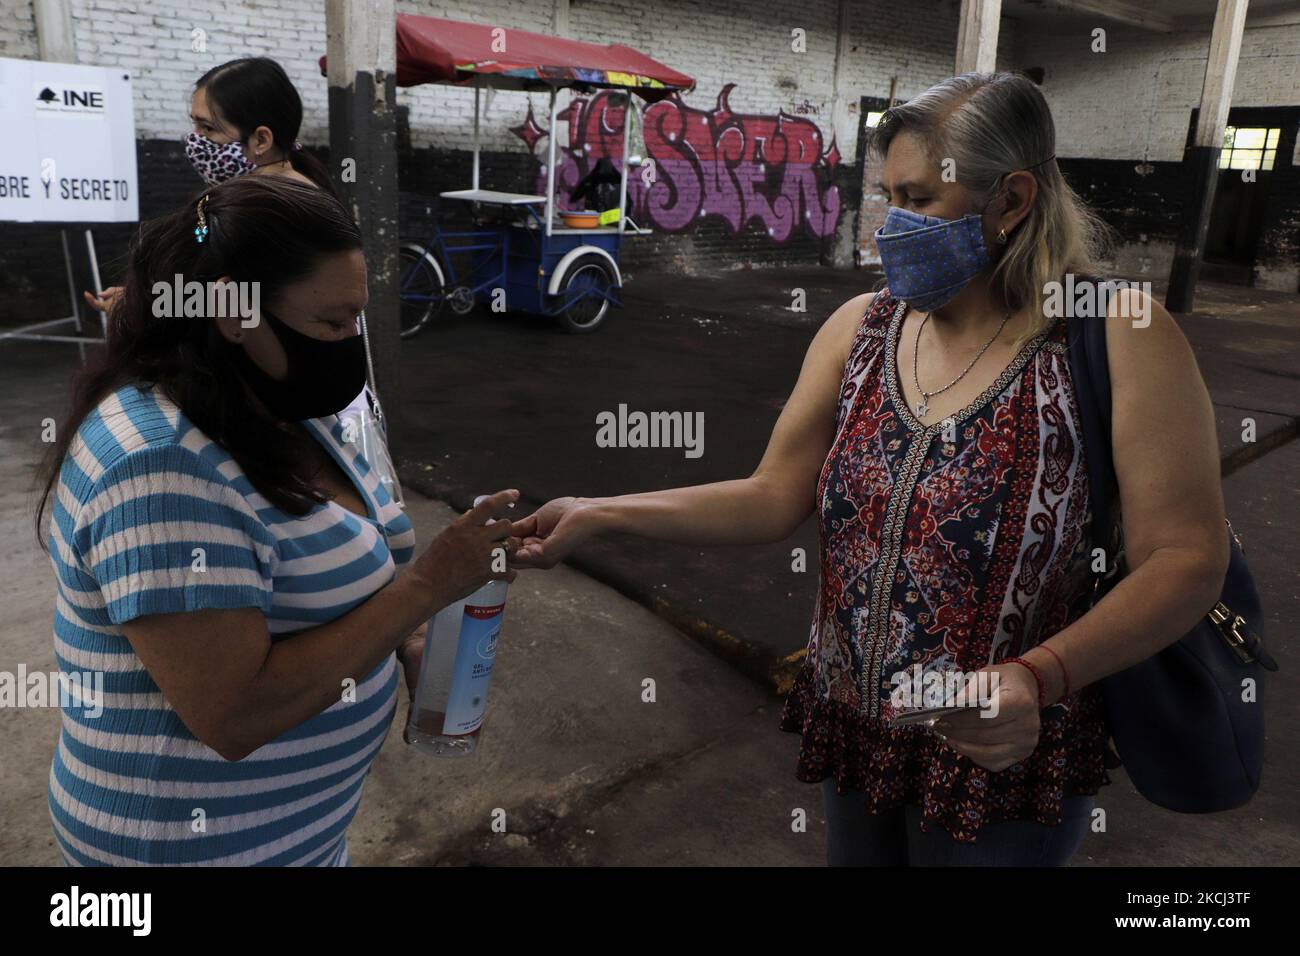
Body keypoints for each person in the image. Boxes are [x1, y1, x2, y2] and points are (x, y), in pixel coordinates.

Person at [510, 72, 1229, 866]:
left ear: (1013, 200)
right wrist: (601, 512)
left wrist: (1039, 677)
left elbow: (1187, 557)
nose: (893, 226)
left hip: (1003, 752)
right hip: (857, 731)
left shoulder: (1117, 333)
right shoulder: (860, 326)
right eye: (889, 196)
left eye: (920, 199)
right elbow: (771, 495)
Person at [38, 176, 535, 865]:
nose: (350, 343)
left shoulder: (293, 413)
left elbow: (353, 570)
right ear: (235, 314)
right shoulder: (157, 467)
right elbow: (233, 715)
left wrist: (411, 642)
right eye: (332, 323)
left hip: (300, 835)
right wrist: (427, 587)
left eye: (357, 317)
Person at [85, 57, 330, 314]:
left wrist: (142, 308)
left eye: (208, 128)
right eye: (195, 124)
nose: (195, 140)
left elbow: (245, 304)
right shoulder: (256, 194)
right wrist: (143, 298)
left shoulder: (272, 209)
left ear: (261, 140)